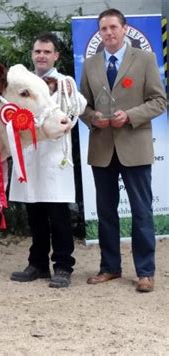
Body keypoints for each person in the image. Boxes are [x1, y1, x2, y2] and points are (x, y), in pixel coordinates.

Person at [80, 9, 166, 292]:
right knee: (106, 212)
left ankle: (145, 272)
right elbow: (83, 105)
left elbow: (158, 101)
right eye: (103, 29)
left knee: (141, 212)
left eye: (113, 27)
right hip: (102, 148)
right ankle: (110, 267)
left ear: (125, 29)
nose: (109, 33)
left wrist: (129, 116)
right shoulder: (90, 64)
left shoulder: (145, 59)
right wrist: (93, 118)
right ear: (99, 33)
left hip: (134, 147)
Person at [9, 32, 87, 288]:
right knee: (35, 213)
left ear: (56, 56)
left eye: (47, 52)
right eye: (37, 51)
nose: (41, 56)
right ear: (32, 54)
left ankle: (63, 266)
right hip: (29, 155)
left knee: (59, 215)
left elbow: (79, 109)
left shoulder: (65, 82)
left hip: (54, 157)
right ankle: (38, 263)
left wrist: (69, 94)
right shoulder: (24, 84)